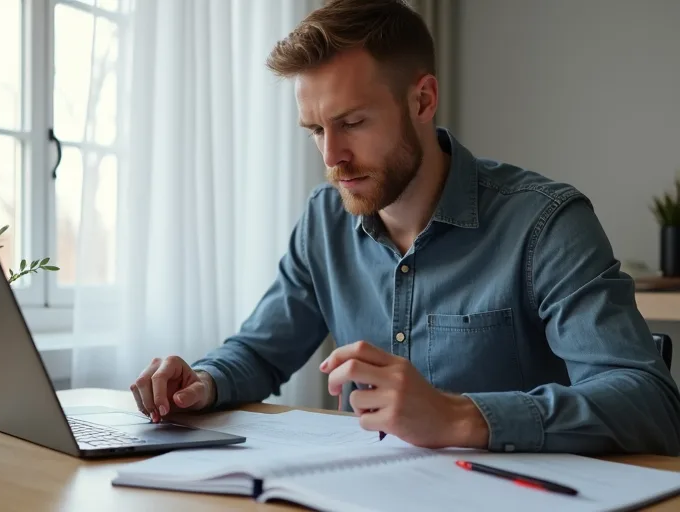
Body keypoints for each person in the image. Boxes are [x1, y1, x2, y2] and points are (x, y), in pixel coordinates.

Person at [130, 0, 680, 455]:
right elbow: (259, 352)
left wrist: (459, 416)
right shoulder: (324, 221)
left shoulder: (545, 222)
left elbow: (650, 402)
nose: (333, 156)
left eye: (352, 123)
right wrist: (204, 382)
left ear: (422, 100)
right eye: (315, 130)